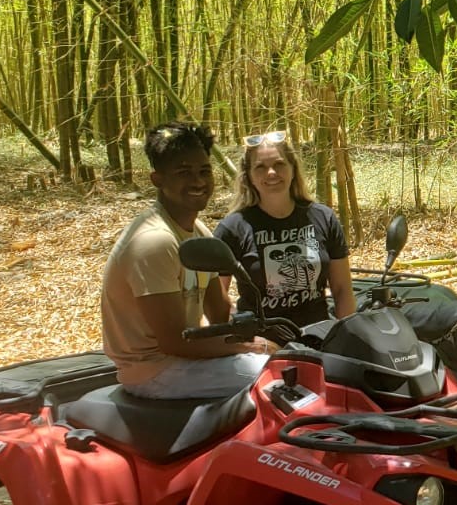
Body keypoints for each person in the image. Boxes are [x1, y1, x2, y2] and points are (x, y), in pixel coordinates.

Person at [101, 121, 267, 399]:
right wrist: (248, 347)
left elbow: (218, 309)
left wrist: (250, 337)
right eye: (184, 172)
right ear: (158, 180)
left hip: (181, 360)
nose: (198, 182)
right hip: (151, 370)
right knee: (272, 376)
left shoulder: (197, 231)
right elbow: (174, 342)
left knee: (292, 362)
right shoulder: (154, 241)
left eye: (204, 171)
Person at [213, 130, 355, 327]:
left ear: (293, 168)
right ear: (249, 177)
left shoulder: (324, 217)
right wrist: (242, 334)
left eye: (279, 164)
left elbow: (342, 290)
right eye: (260, 167)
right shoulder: (232, 228)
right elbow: (214, 297)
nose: (271, 173)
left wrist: (345, 334)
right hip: (262, 344)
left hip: (318, 335)